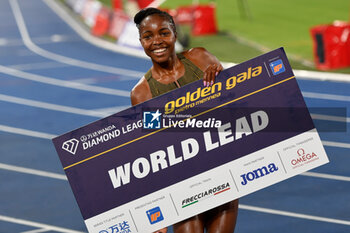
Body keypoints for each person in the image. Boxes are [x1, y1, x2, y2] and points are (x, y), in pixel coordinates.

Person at [130, 7, 239, 233]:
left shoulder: (200, 58)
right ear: (141, 41)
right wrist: (155, 213)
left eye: (163, 33)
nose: (157, 41)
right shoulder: (143, 94)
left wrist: (224, 81)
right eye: (148, 37)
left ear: (175, 34)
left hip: (221, 174)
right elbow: (152, 151)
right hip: (182, 187)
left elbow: (236, 107)